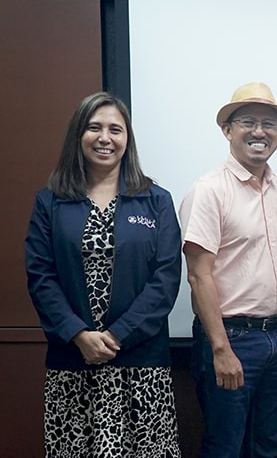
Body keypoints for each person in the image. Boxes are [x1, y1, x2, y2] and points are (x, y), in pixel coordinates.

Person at [25, 91, 182, 456]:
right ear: (78, 135)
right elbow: (40, 275)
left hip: (141, 366)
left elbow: (166, 277)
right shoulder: (50, 201)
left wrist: (116, 336)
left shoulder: (156, 200)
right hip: (73, 363)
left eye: (116, 129)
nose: (105, 138)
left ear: (128, 139)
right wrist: (79, 335)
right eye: (94, 128)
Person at [180, 82, 277, 457]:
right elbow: (198, 275)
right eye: (248, 122)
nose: (259, 131)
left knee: (269, 445)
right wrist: (220, 348)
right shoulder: (208, 190)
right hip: (231, 339)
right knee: (226, 446)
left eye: (269, 124)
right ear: (227, 130)